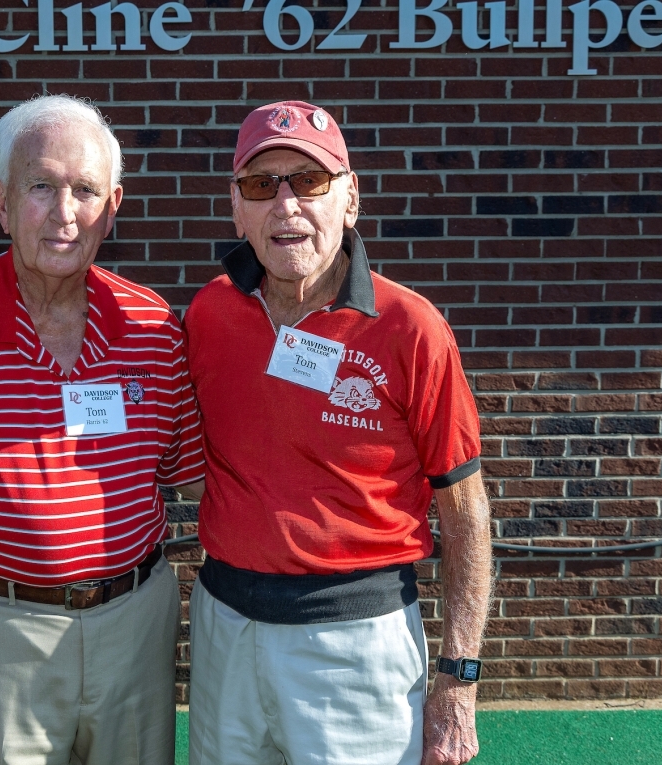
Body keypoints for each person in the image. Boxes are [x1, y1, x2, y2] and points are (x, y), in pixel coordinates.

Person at [0, 94, 206, 765]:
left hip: (135, 625)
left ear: (114, 205)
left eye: (84, 190)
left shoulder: (155, 327)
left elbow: (201, 478)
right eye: (41, 187)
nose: (64, 212)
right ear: (0, 201)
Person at [184, 100, 493, 765]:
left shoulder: (413, 328)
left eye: (310, 180)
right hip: (225, 628)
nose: (286, 204)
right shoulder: (209, 314)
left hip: (358, 643)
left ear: (350, 198)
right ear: (237, 208)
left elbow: (466, 513)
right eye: (262, 185)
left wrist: (459, 676)